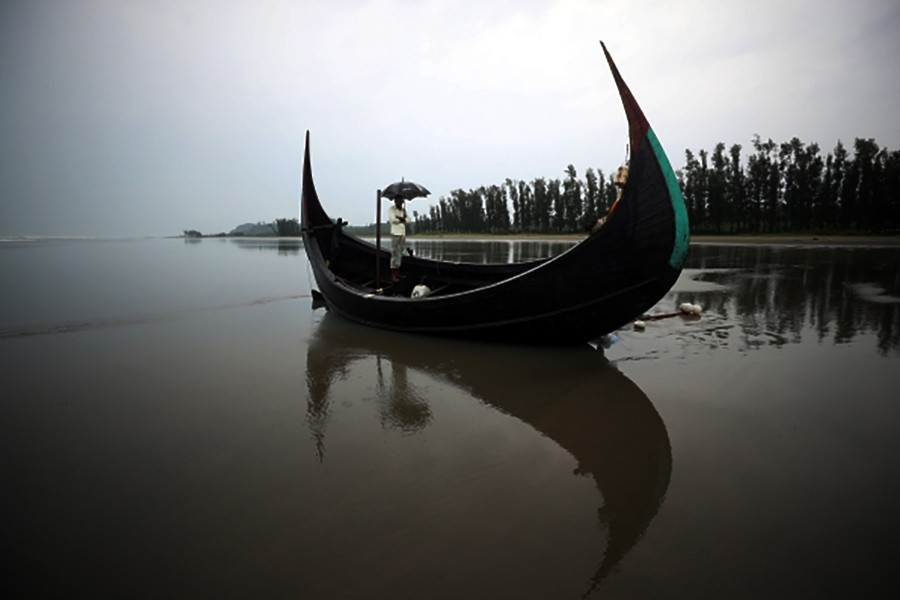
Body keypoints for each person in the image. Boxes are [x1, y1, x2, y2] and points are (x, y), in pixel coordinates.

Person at [387, 197, 408, 282]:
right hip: (395, 233)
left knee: (400, 253)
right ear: (395, 201)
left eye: (401, 201)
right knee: (394, 253)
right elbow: (393, 220)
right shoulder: (391, 209)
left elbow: (408, 220)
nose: (400, 202)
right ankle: (393, 274)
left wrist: (401, 218)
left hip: (402, 233)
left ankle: (397, 272)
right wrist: (402, 219)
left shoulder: (403, 210)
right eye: (398, 201)